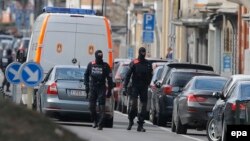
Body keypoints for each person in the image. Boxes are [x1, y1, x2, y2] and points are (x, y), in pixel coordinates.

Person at [123, 47, 153, 132]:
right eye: (142, 52)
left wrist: (148, 83)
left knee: (143, 106)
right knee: (133, 105)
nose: (143, 53)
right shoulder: (134, 63)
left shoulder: (148, 64)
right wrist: (125, 87)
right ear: (139, 52)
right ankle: (131, 120)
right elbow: (128, 75)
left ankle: (140, 124)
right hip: (135, 86)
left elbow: (151, 75)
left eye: (144, 52)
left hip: (144, 87)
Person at [84, 50, 113, 130]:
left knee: (102, 107)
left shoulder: (105, 66)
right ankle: (94, 121)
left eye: (101, 56)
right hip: (92, 87)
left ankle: (101, 123)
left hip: (101, 87)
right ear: (96, 56)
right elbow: (86, 75)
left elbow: (110, 79)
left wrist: (110, 89)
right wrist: (86, 85)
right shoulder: (91, 65)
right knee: (91, 107)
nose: (100, 57)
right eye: (98, 56)